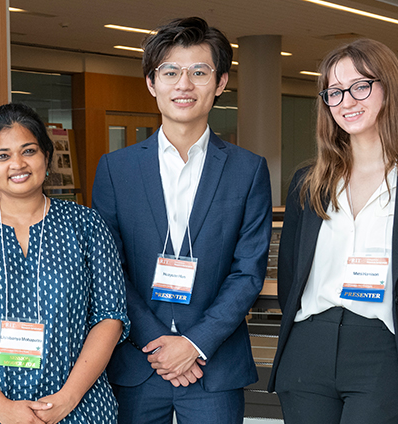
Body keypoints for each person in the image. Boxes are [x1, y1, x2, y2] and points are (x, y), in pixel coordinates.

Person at [267, 38, 398, 423]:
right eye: (334, 92)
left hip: (385, 353)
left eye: (360, 86)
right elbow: (291, 278)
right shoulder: (308, 182)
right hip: (307, 349)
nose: (347, 101)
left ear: (389, 89)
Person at [92, 17, 272, 423]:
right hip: (138, 364)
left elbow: (248, 272)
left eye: (199, 72)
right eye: (170, 72)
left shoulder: (248, 170)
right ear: (152, 83)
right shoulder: (116, 169)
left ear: (221, 82)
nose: (184, 84)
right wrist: (158, 342)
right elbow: (108, 269)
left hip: (214, 364)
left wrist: (194, 343)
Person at [0, 103, 129, 424]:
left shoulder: (86, 226)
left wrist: (67, 399)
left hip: (78, 408)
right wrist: (3, 408)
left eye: (29, 150)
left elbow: (109, 316)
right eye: (3, 155)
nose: (18, 164)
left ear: (47, 157)